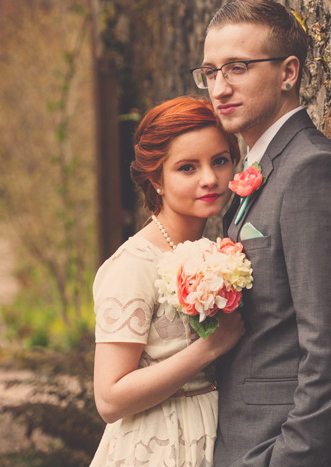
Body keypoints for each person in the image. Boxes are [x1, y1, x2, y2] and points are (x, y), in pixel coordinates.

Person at [189, 1, 331, 465]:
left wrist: (286, 459)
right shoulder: (262, 166)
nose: (219, 88)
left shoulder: (313, 171)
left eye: (237, 68)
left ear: (289, 71)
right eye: (210, 72)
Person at [90, 96, 245, 466]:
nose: (210, 179)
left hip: (218, 433)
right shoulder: (133, 265)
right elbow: (109, 399)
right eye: (187, 168)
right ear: (157, 180)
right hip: (159, 443)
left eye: (220, 161)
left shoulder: (221, 249)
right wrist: (210, 347)